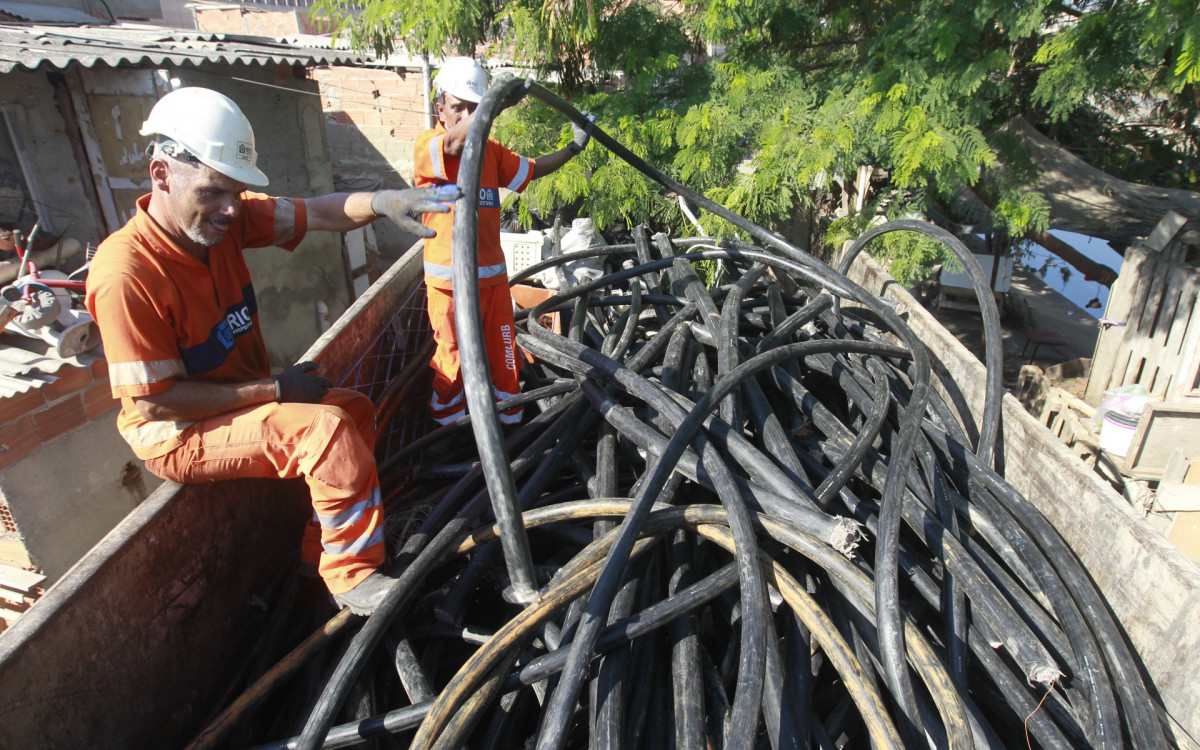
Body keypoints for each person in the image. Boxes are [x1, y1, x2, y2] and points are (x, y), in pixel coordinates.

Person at [85, 87, 457, 616]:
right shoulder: (128, 274)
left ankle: (318, 549)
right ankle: (350, 575)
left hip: (236, 401)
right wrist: (277, 389)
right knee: (324, 433)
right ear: (162, 174)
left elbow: (318, 212)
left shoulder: (222, 224)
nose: (230, 209)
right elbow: (155, 404)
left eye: (236, 192)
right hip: (179, 432)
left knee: (352, 410)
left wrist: (380, 202)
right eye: (214, 191)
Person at [413, 57, 592, 426]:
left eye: (474, 108)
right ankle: (449, 431)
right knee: (453, 358)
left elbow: (531, 169)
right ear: (440, 108)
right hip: (449, 284)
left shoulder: (491, 151)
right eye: (457, 107)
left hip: (492, 279)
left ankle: (511, 425)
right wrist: (494, 106)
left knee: (505, 355)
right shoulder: (429, 146)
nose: (466, 115)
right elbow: (454, 144)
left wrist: (573, 148)